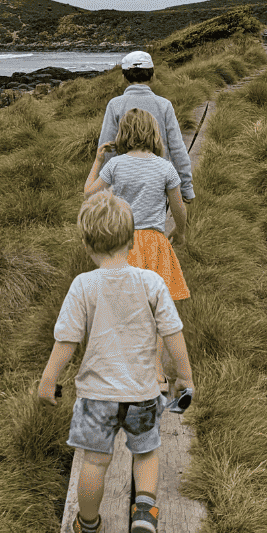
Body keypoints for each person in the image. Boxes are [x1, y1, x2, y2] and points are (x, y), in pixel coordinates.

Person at [38, 191, 194, 533]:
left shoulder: (83, 286)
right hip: (142, 392)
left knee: (94, 461)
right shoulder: (152, 283)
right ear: (132, 238)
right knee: (146, 453)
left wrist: (48, 381)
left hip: (96, 397)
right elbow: (173, 334)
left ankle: (88, 530)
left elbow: (66, 340)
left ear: (85, 242)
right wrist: (185, 377)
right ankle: (144, 511)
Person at [84, 107, 191, 391]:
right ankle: (156, 373)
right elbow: (178, 208)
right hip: (155, 244)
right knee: (156, 310)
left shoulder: (115, 165)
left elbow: (89, 194)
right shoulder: (165, 167)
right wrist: (180, 232)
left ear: (124, 134)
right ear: (154, 133)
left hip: (122, 242)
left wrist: (97, 159)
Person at [97, 50, 195, 204]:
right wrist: (186, 188)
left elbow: (107, 148)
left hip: (123, 183)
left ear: (124, 77)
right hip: (158, 181)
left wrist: (102, 187)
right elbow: (177, 148)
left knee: (123, 224)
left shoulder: (115, 105)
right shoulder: (164, 105)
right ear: (152, 76)